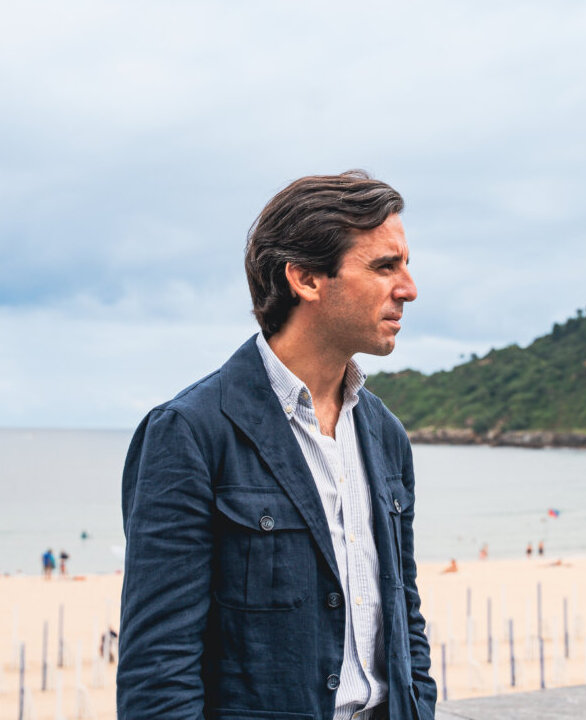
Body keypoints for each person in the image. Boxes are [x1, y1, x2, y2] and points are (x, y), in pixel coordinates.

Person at [118, 171, 434, 720]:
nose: (408, 287)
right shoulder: (190, 432)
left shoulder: (386, 434)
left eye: (404, 265)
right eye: (385, 266)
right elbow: (158, 668)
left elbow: (405, 619)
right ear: (307, 279)